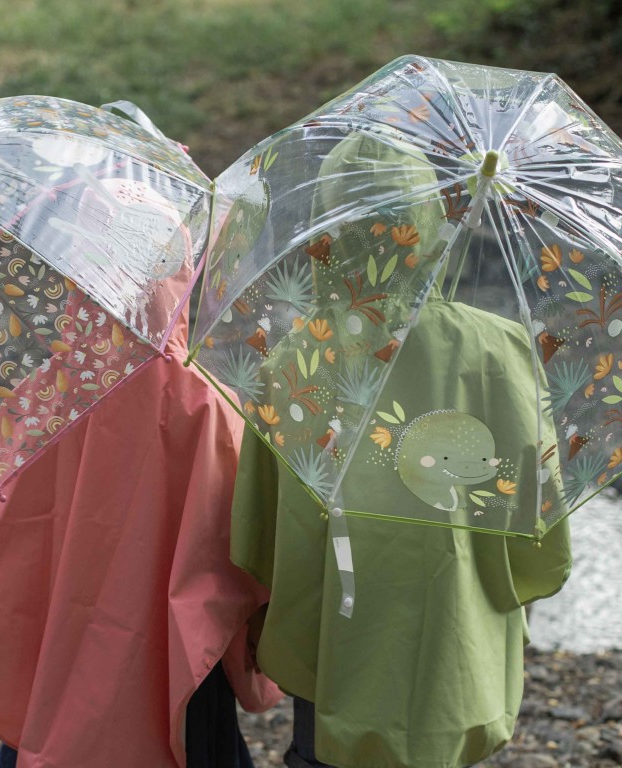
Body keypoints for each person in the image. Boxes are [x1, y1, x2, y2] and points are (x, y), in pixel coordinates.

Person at [228, 131, 573, 767]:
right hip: (456, 622)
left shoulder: (296, 359)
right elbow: (536, 507)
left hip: (339, 624)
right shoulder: (499, 350)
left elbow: (261, 532)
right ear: (427, 223)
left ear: (328, 227)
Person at [0, 142, 282, 765]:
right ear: (179, 267)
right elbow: (244, 554)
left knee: (47, 736)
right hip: (176, 671)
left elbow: (2, 552)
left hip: (53, 660)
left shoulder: (38, 397)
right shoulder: (206, 406)